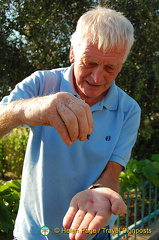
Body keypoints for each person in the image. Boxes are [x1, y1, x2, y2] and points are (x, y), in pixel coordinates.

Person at [0, 6, 141, 240]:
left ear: (121, 65)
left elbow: (111, 174)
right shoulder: (42, 83)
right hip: (34, 233)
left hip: (93, 233)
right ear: (72, 52)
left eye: (110, 67)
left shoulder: (129, 110)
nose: (97, 78)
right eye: (89, 62)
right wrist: (26, 109)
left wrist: (101, 191)